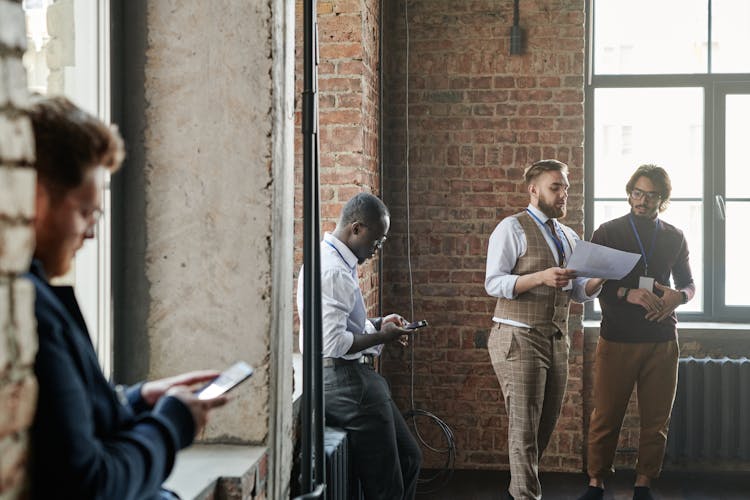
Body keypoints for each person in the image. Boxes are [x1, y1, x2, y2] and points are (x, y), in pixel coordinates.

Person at [27, 95, 228, 500]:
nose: (91, 233)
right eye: (86, 212)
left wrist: (135, 399)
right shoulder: (29, 311)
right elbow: (90, 484)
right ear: (36, 197)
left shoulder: (36, 294)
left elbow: (68, 424)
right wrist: (171, 425)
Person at [484, 159, 605, 500]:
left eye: (566, 186)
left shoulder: (568, 236)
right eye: (556, 187)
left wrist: (601, 277)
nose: (564, 193)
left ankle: (517, 492)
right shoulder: (512, 228)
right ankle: (526, 496)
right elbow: (493, 283)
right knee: (524, 429)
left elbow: (579, 292)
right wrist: (540, 277)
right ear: (533, 189)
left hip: (556, 339)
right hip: (518, 337)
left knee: (542, 427)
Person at [578, 165, 695, 500]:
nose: (642, 200)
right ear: (630, 192)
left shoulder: (674, 235)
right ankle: (596, 482)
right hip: (617, 338)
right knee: (606, 417)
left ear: (663, 198)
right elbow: (590, 285)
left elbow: (689, 284)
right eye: (637, 193)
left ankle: (643, 483)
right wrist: (624, 293)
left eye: (651, 195)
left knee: (656, 420)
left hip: (662, 340)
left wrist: (679, 297)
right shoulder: (608, 231)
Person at [296, 192, 422, 500]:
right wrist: (384, 337)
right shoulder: (334, 270)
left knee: (409, 458)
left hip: (351, 378)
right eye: (376, 241)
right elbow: (333, 343)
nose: (377, 249)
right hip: (344, 383)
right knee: (386, 488)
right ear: (356, 228)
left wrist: (378, 324)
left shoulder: (333, 258)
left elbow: (341, 327)